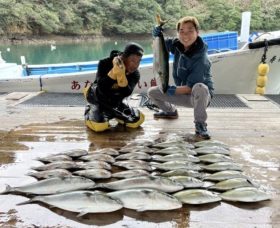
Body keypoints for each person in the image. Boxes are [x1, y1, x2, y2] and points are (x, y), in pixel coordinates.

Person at [148, 16, 214, 140]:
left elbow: (190, 88)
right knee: (152, 92)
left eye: (190, 31)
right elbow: (161, 45)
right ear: (178, 33)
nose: (185, 35)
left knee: (200, 87)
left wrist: (170, 90)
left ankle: (200, 124)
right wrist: (157, 35)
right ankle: (170, 111)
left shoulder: (201, 58)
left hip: (199, 97)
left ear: (197, 32)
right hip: (182, 92)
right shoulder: (178, 45)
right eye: (182, 31)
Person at [84, 42, 145, 132]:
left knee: (136, 120)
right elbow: (101, 88)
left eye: (138, 61)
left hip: (115, 101)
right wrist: (114, 72)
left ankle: (112, 113)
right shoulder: (104, 63)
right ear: (124, 57)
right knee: (99, 127)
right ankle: (90, 109)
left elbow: (127, 92)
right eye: (132, 60)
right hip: (98, 97)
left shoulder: (135, 74)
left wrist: (121, 75)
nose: (135, 65)